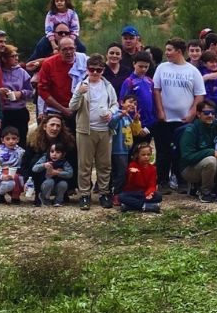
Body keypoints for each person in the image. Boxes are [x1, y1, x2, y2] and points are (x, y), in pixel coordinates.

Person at [152, 37, 206, 191]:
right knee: (163, 152)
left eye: (169, 50)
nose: (167, 53)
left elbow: (199, 95)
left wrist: (192, 113)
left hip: (184, 119)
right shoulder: (162, 68)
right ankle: (162, 181)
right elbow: (156, 90)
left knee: (181, 150)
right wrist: (160, 111)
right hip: (165, 119)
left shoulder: (192, 71)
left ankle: (182, 180)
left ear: (179, 51)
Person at [69, 55, 118, 204]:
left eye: (99, 70)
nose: (95, 73)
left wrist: (111, 113)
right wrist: (79, 93)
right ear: (87, 69)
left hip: (104, 129)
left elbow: (115, 104)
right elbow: (72, 107)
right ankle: (84, 194)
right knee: (85, 164)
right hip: (85, 130)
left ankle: (104, 193)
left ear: (103, 70)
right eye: (92, 69)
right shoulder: (81, 85)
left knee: (104, 164)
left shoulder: (108, 85)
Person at [24, 113, 77, 204]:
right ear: (45, 126)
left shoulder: (68, 143)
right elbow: (26, 162)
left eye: (58, 126)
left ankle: (62, 194)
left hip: (61, 174)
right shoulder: (34, 142)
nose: (55, 128)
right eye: (52, 125)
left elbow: (74, 163)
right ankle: (39, 194)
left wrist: (58, 171)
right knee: (35, 160)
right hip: (41, 174)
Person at [38, 37, 88, 124]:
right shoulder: (49, 64)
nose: (68, 52)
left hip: (79, 109)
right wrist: (63, 109)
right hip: (56, 110)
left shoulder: (84, 61)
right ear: (59, 50)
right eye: (65, 49)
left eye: (71, 48)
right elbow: (43, 91)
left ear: (75, 48)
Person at [178, 98, 217, 201]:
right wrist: (210, 152)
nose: (210, 115)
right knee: (211, 160)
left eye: (212, 113)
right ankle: (205, 192)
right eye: (206, 113)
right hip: (189, 168)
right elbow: (187, 157)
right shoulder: (191, 130)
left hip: (207, 162)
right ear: (198, 114)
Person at [108, 94, 143, 202]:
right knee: (120, 173)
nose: (132, 105)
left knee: (123, 172)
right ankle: (116, 194)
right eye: (130, 102)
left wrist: (136, 121)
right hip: (118, 150)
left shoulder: (129, 117)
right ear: (122, 102)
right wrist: (120, 116)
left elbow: (136, 132)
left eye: (135, 103)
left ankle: (119, 191)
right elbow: (111, 125)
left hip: (126, 150)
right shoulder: (118, 114)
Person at [0, 45, 34, 150]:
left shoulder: (22, 72)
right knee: (3, 141)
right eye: (13, 56)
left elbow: (31, 91)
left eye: (16, 55)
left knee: (20, 141)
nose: (16, 58)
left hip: (19, 111)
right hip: (4, 112)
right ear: (4, 59)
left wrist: (21, 93)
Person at [119, 51, 156, 136]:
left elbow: (154, 104)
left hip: (148, 126)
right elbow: (123, 104)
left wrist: (151, 124)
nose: (143, 69)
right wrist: (133, 123)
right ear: (134, 64)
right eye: (140, 66)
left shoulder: (150, 81)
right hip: (133, 124)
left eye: (146, 67)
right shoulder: (129, 82)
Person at [117, 143, 161, 213]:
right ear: (138, 155)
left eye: (148, 154)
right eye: (143, 155)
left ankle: (129, 206)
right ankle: (146, 206)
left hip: (144, 193)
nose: (146, 157)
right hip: (132, 192)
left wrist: (149, 193)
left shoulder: (153, 168)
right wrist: (134, 174)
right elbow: (131, 183)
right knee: (121, 196)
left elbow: (152, 185)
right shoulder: (132, 165)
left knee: (158, 196)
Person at [32, 141, 75, 207]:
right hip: (45, 186)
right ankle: (44, 199)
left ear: (63, 154)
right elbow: (34, 168)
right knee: (50, 181)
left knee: (63, 184)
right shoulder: (45, 159)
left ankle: (58, 201)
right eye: (52, 151)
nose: (54, 154)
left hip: (57, 186)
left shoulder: (64, 162)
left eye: (58, 152)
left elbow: (70, 173)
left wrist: (57, 173)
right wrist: (43, 165)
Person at [0, 126, 26, 204]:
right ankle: (2, 194)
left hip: (17, 171)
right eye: (8, 139)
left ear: (18, 140)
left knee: (20, 179)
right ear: (2, 140)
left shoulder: (21, 152)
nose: (11, 141)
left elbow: (24, 164)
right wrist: (1, 176)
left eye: (14, 138)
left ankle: (16, 195)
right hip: (2, 173)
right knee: (13, 179)